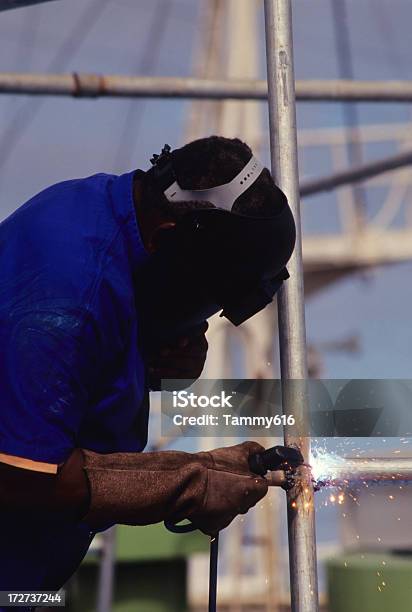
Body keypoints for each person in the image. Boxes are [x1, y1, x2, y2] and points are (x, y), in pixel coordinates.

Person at [0, 135, 296, 596]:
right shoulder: (67, 304)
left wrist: (149, 352)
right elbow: (21, 476)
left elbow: (65, 372)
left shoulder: (108, 208)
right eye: (205, 297)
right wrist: (187, 481)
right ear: (168, 239)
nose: (203, 319)